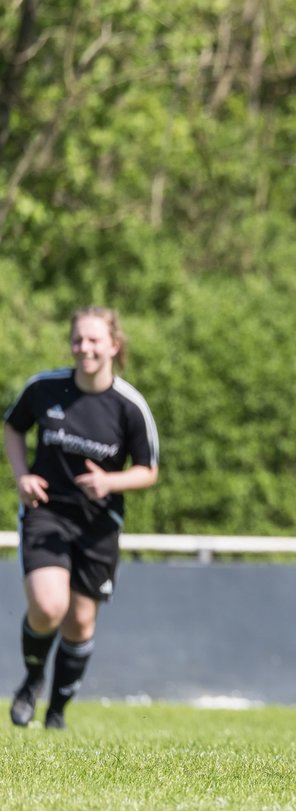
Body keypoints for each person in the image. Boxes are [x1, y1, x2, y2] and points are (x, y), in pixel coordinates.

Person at [4, 307, 159, 730]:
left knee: (79, 620)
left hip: (97, 524)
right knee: (48, 606)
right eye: (78, 339)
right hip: (47, 514)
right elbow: (13, 427)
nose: (85, 348)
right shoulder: (44, 388)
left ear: (113, 345)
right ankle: (32, 680)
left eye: (94, 340)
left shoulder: (130, 407)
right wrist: (23, 477)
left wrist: (110, 483)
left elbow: (148, 470)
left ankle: (56, 712)